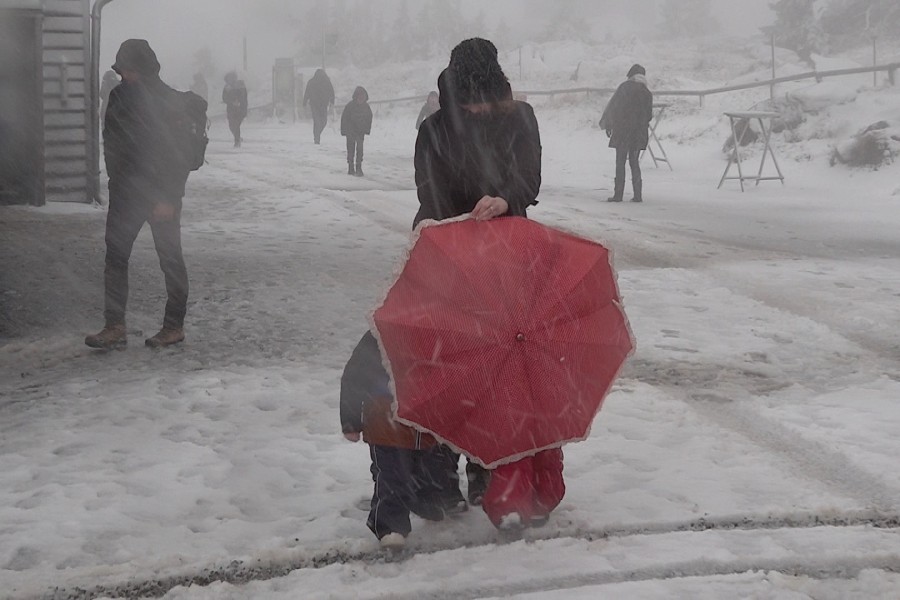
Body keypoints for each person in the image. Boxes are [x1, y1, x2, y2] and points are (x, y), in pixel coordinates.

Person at [413, 38, 556, 530]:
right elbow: (429, 194)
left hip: (508, 254)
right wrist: (458, 235)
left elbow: (530, 179)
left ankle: (487, 468)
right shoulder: (433, 128)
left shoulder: (520, 118)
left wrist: (503, 198)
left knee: (498, 368)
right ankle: (440, 474)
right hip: (450, 256)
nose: (474, 107)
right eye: (465, 98)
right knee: (449, 366)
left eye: (481, 97)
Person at [85, 39, 194, 350]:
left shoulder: (168, 100)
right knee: (116, 257)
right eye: (122, 70)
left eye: (129, 70)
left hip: (160, 195)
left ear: (143, 69)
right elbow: (113, 143)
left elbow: (178, 156)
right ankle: (114, 326)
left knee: (170, 258)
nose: (124, 76)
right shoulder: (120, 96)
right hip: (126, 193)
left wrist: (169, 198)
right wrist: (117, 182)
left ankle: (174, 326)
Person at [341, 331, 467, 549]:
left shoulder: (444, 336)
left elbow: (460, 377)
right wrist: (351, 421)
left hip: (429, 421)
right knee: (392, 476)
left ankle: (432, 504)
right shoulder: (379, 334)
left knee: (432, 469)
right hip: (387, 420)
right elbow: (354, 376)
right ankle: (390, 527)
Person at [598, 63, 652, 203]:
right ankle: (638, 195)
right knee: (634, 162)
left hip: (623, 131)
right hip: (638, 133)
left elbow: (614, 107)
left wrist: (608, 124)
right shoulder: (647, 92)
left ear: (631, 75)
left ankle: (618, 194)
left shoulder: (624, 88)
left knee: (620, 162)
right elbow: (649, 115)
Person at [340, 86, 373, 176]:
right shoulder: (350, 106)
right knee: (350, 149)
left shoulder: (366, 107)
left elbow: (369, 119)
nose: (361, 99)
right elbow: (344, 118)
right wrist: (344, 130)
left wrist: (367, 129)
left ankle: (359, 167)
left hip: (360, 131)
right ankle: (350, 167)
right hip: (350, 131)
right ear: (356, 97)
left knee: (360, 149)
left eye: (363, 97)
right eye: (359, 97)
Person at [303, 69, 335, 144]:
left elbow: (331, 92)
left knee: (323, 122)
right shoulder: (312, 82)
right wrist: (304, 102)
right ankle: (317, 138)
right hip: (314, 105)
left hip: (323, 105)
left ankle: (317, 134)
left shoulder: (326, 82)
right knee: (317, 121)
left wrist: (332, 103)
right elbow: (307, 92)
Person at [222, 72, 248, 148]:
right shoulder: (227, 87)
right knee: (232, 126)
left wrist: (239, 102)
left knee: (236, 125)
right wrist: (231, 102)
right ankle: (237, 138)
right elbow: (224, 98)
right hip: (231, 109)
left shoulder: (241, 85)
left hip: (241, 108)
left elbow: (244, 96)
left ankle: (237, 141)